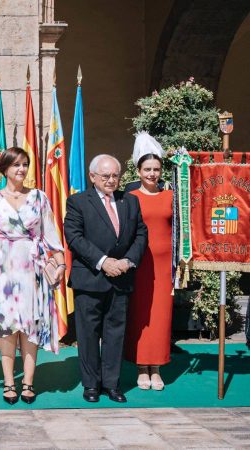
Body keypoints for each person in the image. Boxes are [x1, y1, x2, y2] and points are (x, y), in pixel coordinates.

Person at [0, 147, 65, 405]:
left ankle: (28, 382)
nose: (22, 169)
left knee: (30, 326)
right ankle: (8, 382)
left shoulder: (39, 197)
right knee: (6, 328)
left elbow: (52, 235)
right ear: (4, 169)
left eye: (25, 164)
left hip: (33, 269)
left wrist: (60, 265)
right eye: (16, 165)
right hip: (1, 269)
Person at [64, 154, 147, 403]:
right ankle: (91, 385)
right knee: (88, 334)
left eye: (115, 176)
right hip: (90, 278)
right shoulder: (78, 202)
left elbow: (141, 234)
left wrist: (126, 262)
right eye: (106, 176)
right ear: (92, 177)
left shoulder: (130, 202)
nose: (111, 180)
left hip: (121, 277)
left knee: (115, 333)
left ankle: (112, 384)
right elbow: (74, 237)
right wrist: (104, 262)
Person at [124, 138, 173, 391]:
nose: (152, 174)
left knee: (161, 314)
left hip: (165, 265)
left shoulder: (172, 196)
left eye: (156, 169)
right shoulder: (129, 197)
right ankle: (142, 366)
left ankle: (157, 367)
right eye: (147, 170)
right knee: (140, 313)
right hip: (140, 263)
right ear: (138, 172)